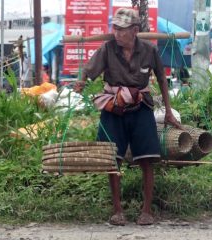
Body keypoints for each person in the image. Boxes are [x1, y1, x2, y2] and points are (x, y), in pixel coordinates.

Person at [74, 8, 181, 226]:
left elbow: (161, 80)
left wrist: (168, 111)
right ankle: (117, 211)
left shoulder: (149, 51)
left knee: (148, 159)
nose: (117, 34)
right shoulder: (107, 48)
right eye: (115, 28)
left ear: (134, 30)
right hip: (114, 107)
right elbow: (88, 70)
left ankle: (147, 211)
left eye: (122, 30)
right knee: (112, 159)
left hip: (141, 107)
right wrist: (82, 80)